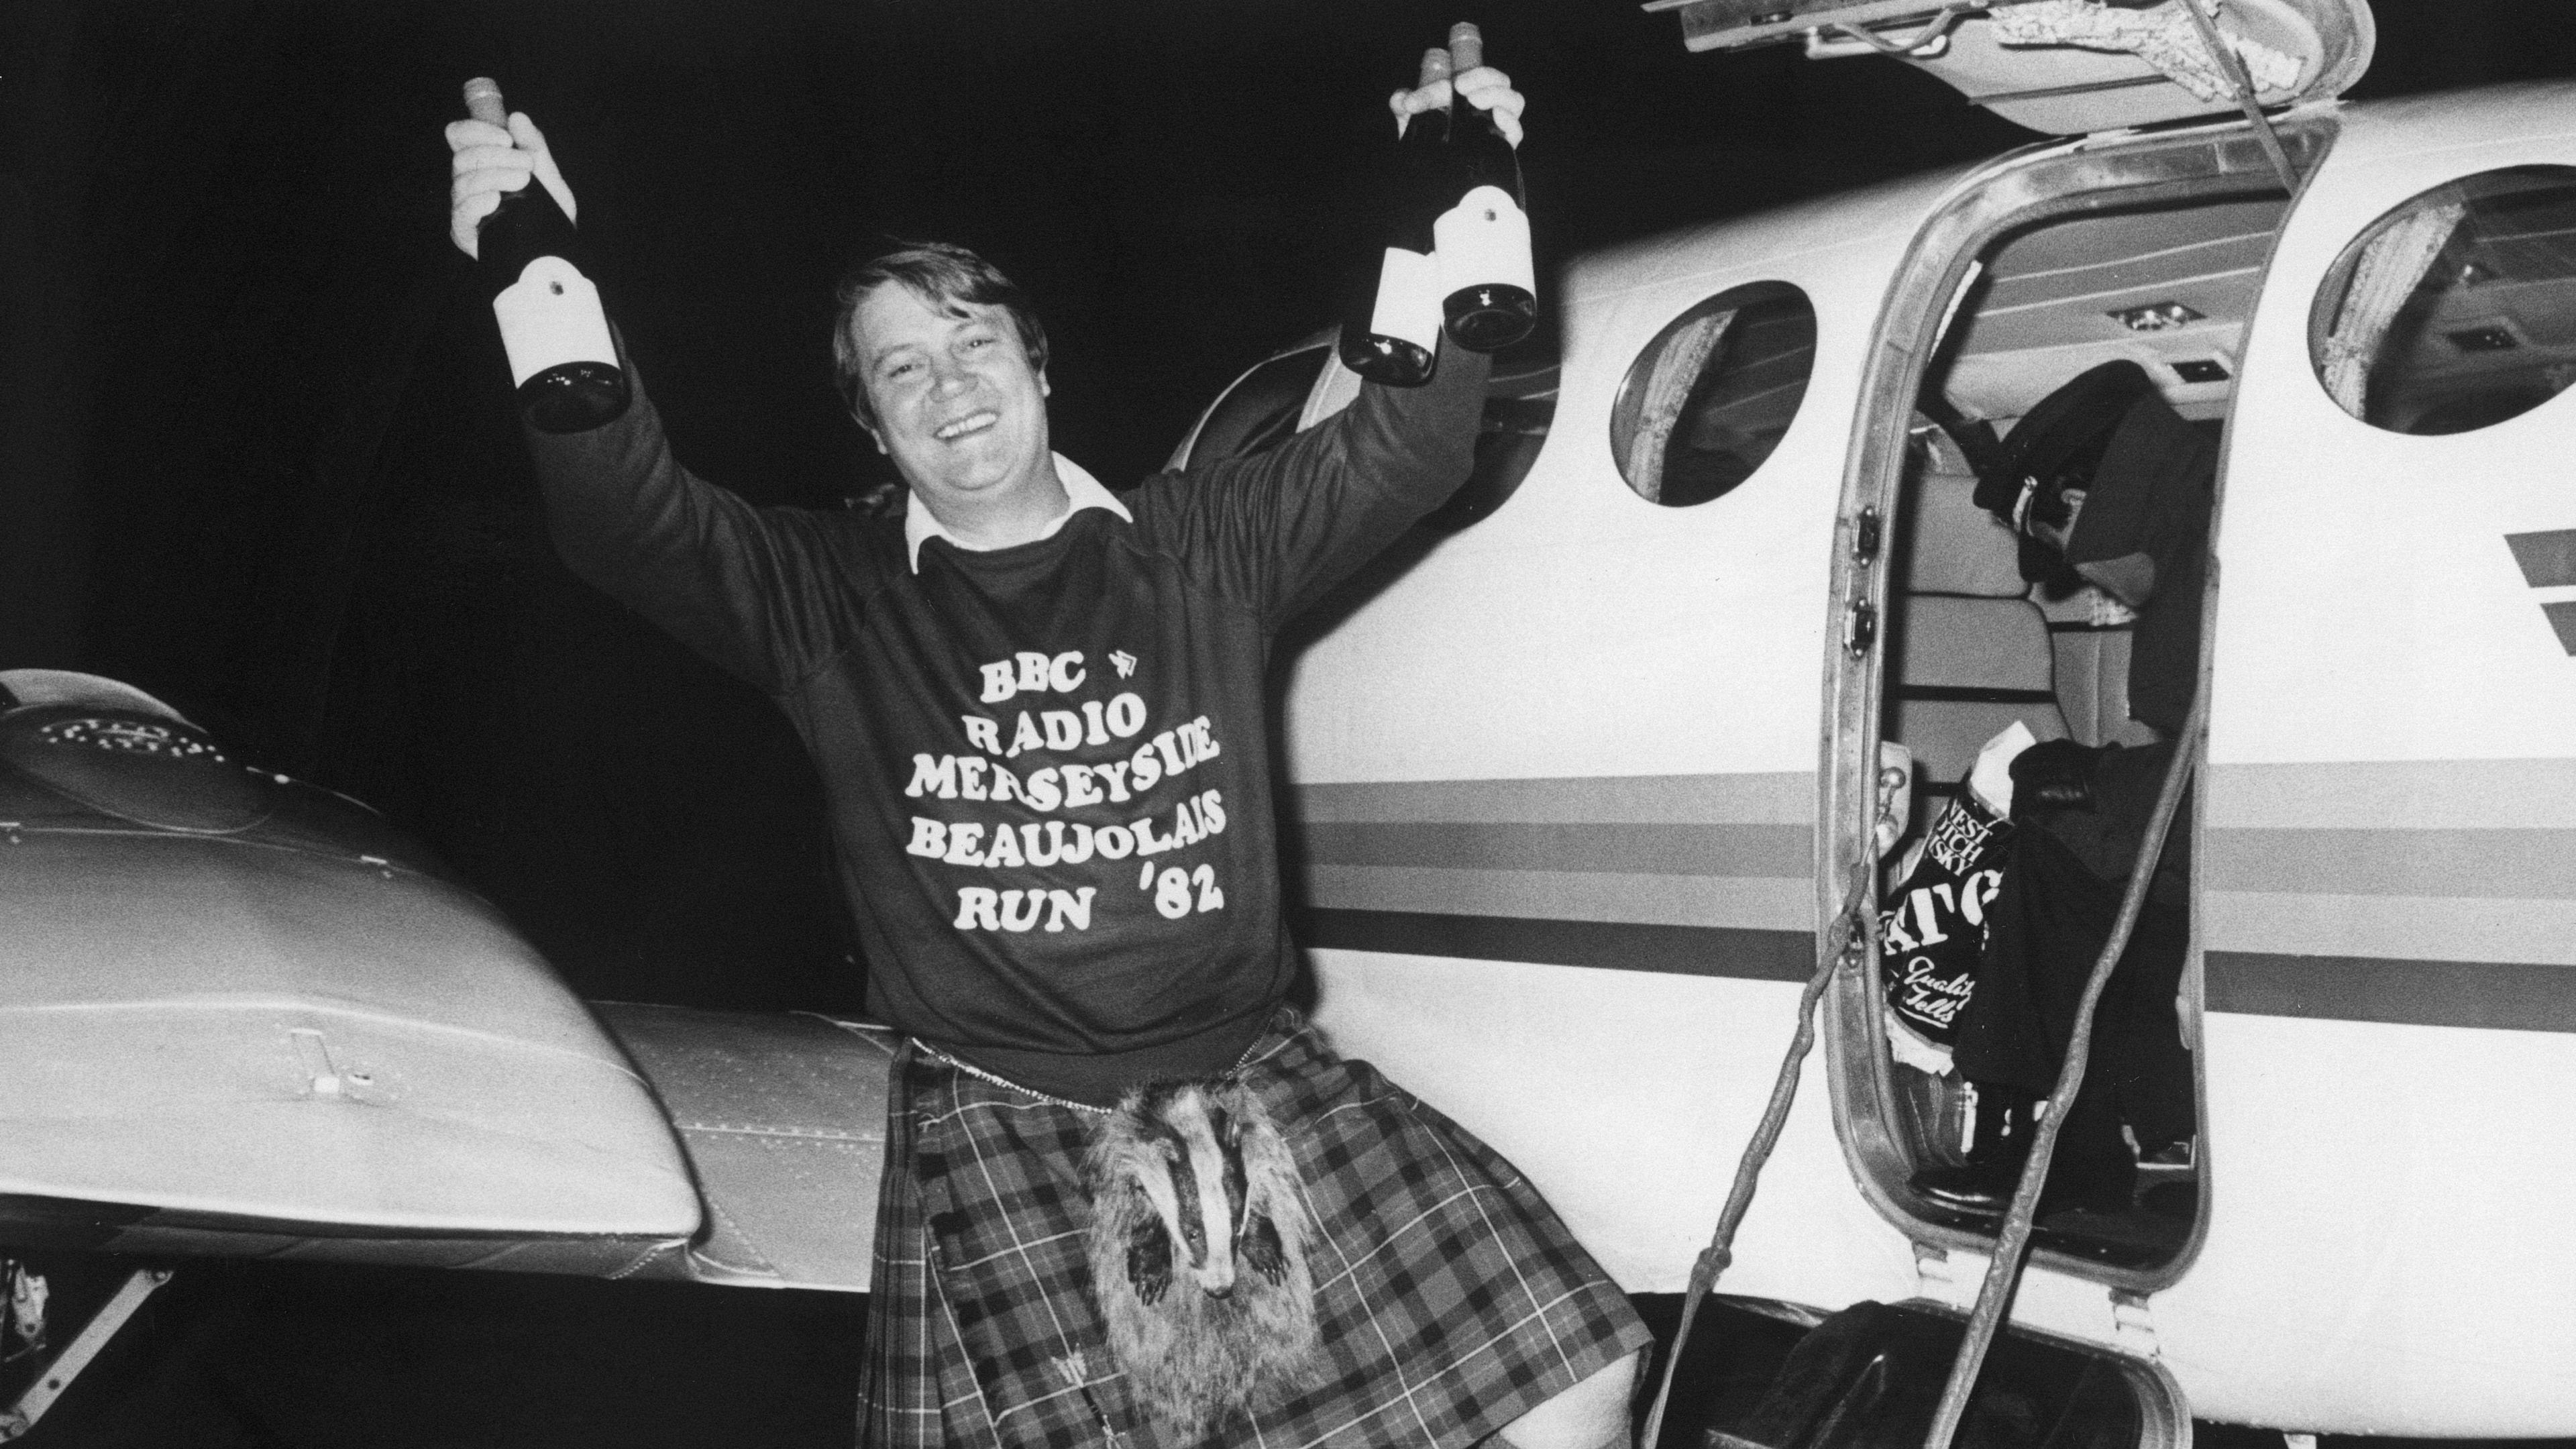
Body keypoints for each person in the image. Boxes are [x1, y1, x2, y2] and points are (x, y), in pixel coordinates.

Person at [447, 40, 1649, 1449]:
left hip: (1260, 1074)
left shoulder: (1201, 543)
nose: (951, 387)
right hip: (1007, 1117)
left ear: (1036, 365)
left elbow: (1410, 447)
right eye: (903, 371)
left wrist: (1463, 200)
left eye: (973, 344)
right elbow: (625, 519)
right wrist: (534, 273)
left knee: (1579, 1375)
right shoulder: (823, 600)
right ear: (875, 428)